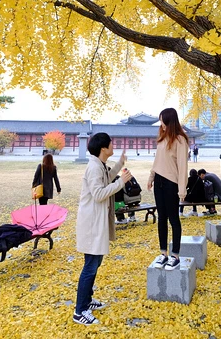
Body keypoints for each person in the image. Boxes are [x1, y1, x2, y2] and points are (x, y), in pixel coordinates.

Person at [73, 132, 132, 325]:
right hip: (91, 223)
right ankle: (79, 311)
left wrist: (120, 165)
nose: (113, 145)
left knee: (95, 262)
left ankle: (87, 301)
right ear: (103, 148)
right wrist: (121, 183)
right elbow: (99, 194)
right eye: (111, 143)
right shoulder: (93, 167)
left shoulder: (99, 165)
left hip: (95, 222)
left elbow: (106, 179)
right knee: (90, 266)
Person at [147, 108, 189, 271]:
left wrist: (181, 189)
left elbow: (183, 166)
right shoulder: (162, 139)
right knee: (161, 218)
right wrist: (151, 177)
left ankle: (175, 255)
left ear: (169, 121)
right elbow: (157, 162)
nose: (161, 125)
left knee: (174, 219)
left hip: (172, 183)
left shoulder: (180, 140)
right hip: (159, 182)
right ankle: (163, 253)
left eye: (163, 121)